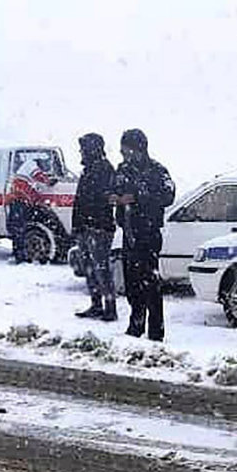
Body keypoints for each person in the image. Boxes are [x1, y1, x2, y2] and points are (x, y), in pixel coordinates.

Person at [112, 129, 175, 340]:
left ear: (139, 149)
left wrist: (138, 196)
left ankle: (156, 331)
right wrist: (115, 198)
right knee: (132, 284)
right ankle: (135, 324)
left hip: (148, 233)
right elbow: (114, 189)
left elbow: (168, 195)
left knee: (150, 283)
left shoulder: (157, 171)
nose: (123, 154)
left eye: (126, 150)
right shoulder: (123, 169)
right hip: (128, 233)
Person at [73, 133, 118, 321]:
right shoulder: (88, 169)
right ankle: (96, 304)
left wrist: (92, 222)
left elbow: (102, 199)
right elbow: (80, 200)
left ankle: (110, 307)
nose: (80, 153)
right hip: (86, 226)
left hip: (99, 228)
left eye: (83, 149)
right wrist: (77, 225)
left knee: (101, 268)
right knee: (90, 267)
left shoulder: (104, 169)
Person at [6, 154, 57, 263]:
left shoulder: (24, 171)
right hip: (19, 201)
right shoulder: (31, 164)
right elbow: (38, 176)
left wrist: (37, 201)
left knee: (18, 228)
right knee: (19, 228)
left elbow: (32, 191)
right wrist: (49, 181)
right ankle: (19, 257)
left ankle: (18, 253)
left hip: (16, 201)